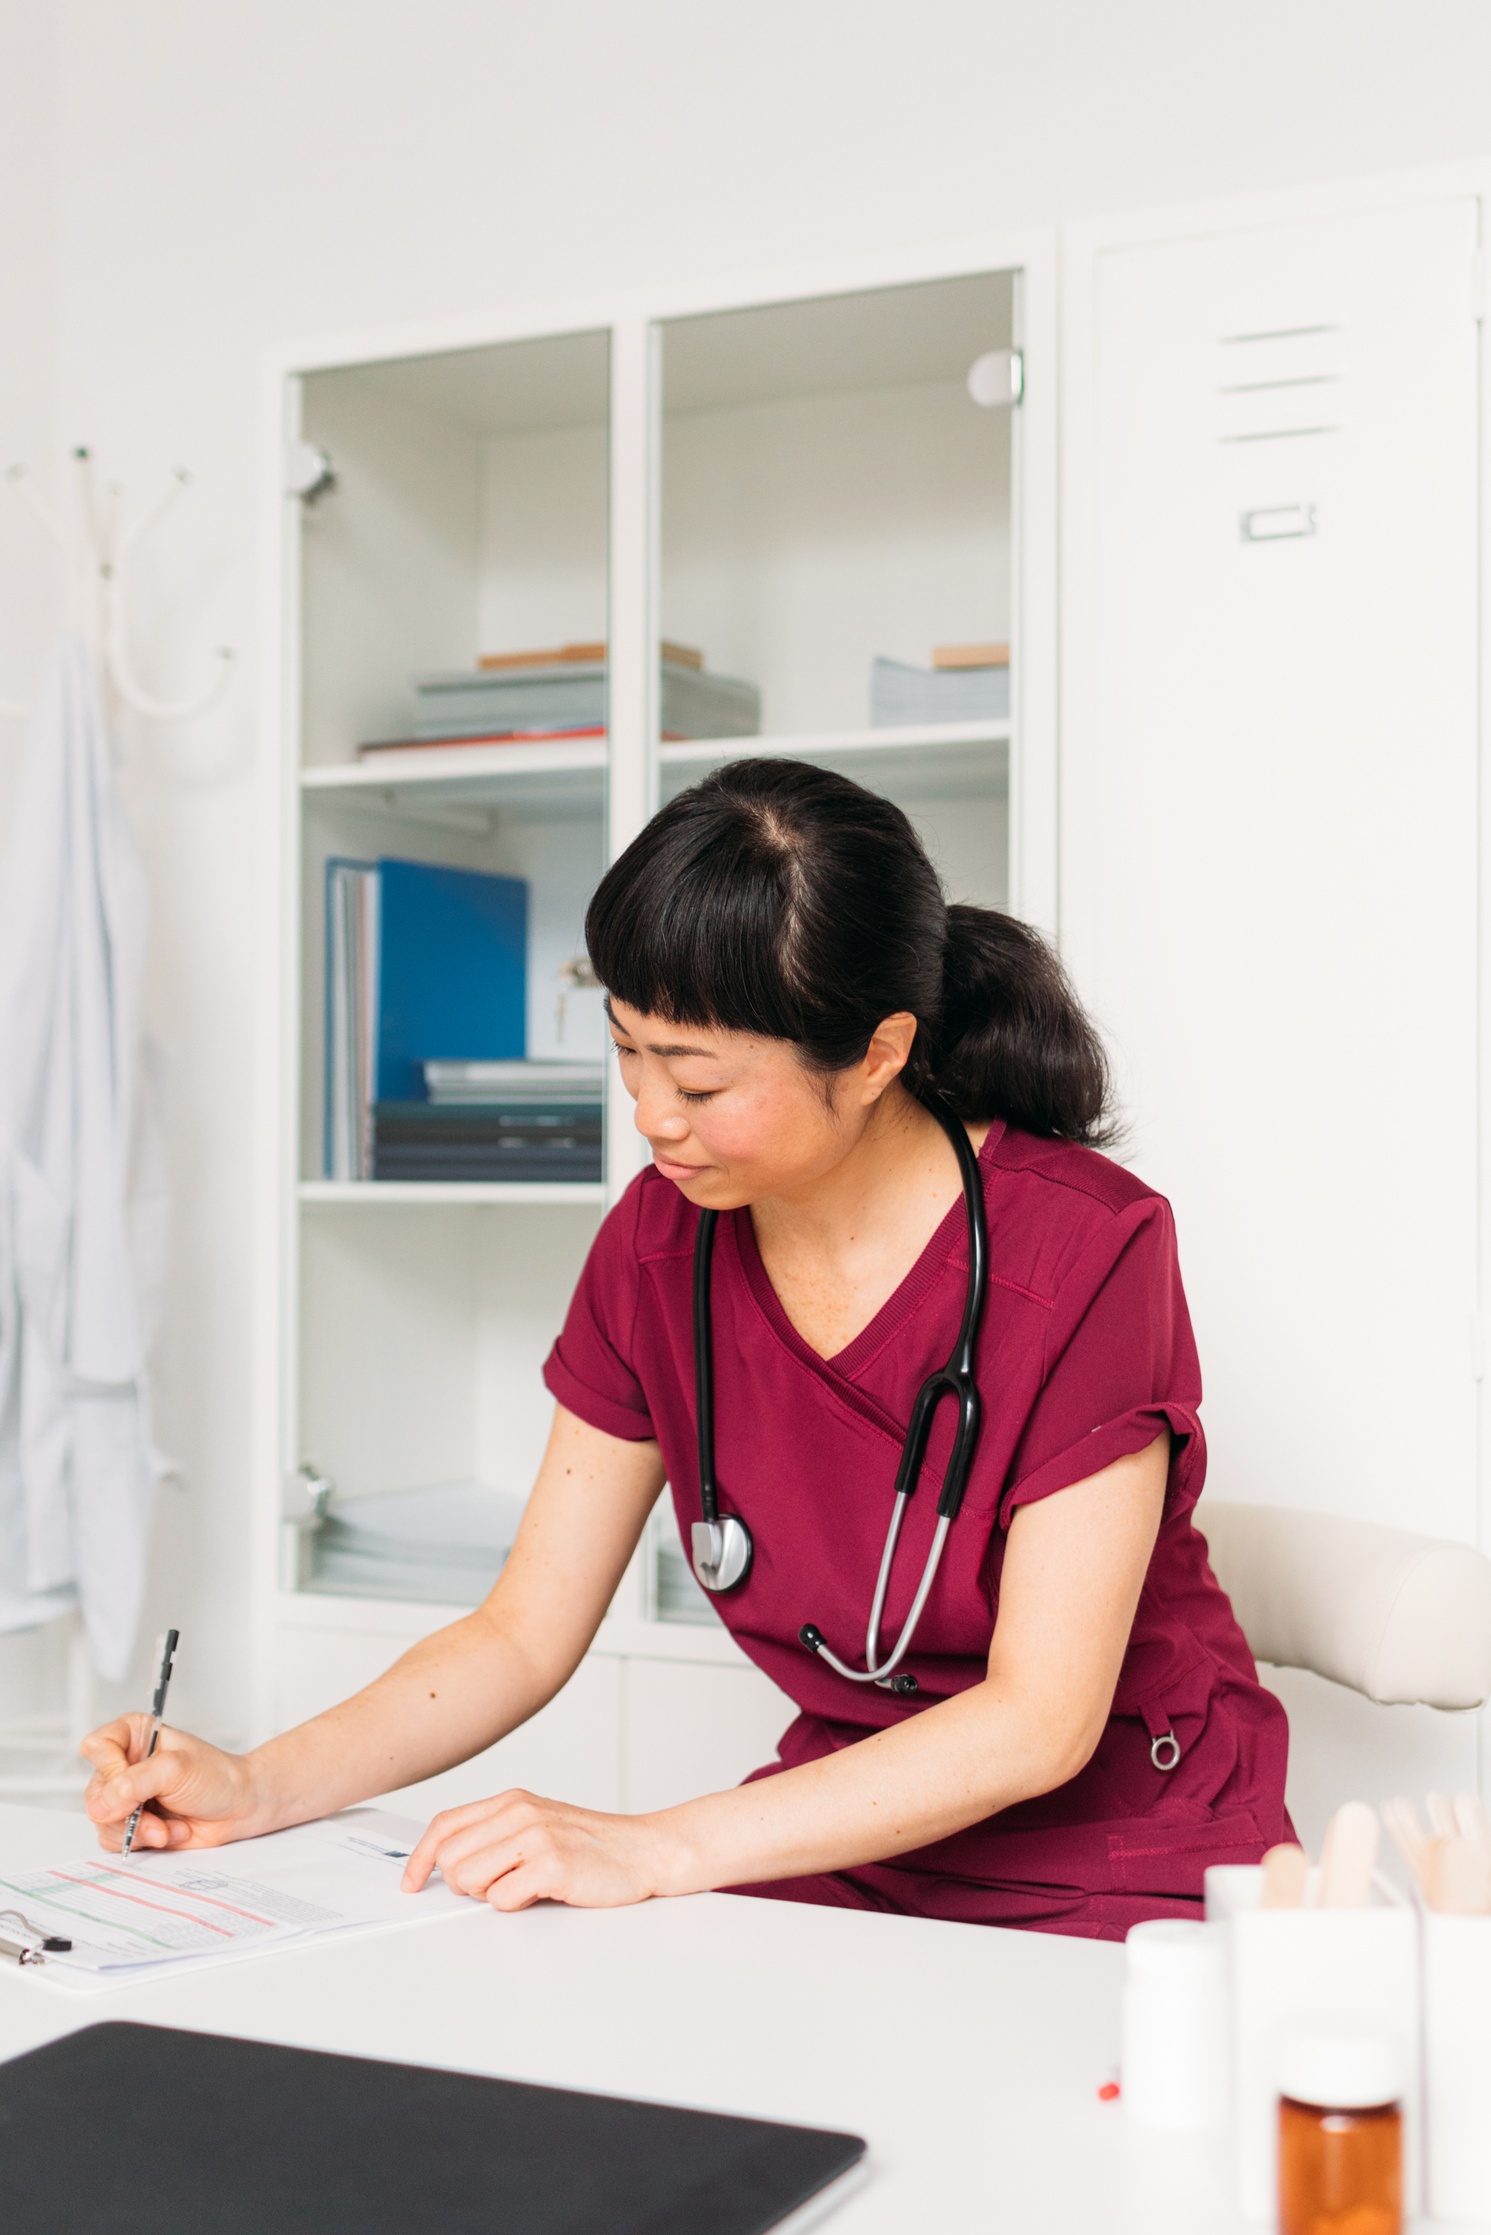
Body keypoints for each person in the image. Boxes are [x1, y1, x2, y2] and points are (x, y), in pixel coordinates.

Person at [83, 758, 1289, 1940]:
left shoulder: (1088, 1249)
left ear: (876, 1055)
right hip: (845, 1837)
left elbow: (1038, 1722)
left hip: (1119, 1852)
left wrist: (654, 1847)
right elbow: (521, 1631)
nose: (652, 1116)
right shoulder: (663, 1241)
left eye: (700, 1083)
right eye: (627, 1050)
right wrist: (256, 1783)